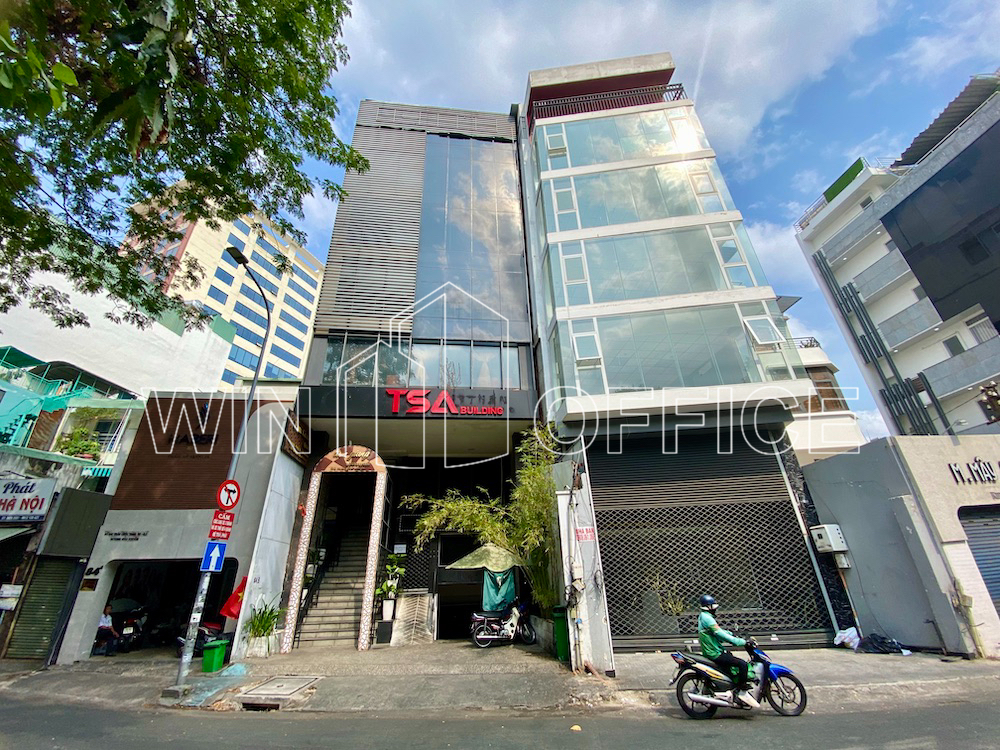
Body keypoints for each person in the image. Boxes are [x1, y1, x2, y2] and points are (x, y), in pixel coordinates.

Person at [697, 594, 759, 708]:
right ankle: (741, 692)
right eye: (714, 607)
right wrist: (741, 642)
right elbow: (720, 634)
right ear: (709, 607)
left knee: (731, 661)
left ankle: (730, 687)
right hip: (714, 653)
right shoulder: (707, 618)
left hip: (713, 651)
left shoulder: (703, 616)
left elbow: (718, 631)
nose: (715, 609)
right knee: (742, 665)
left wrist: (731, 633)